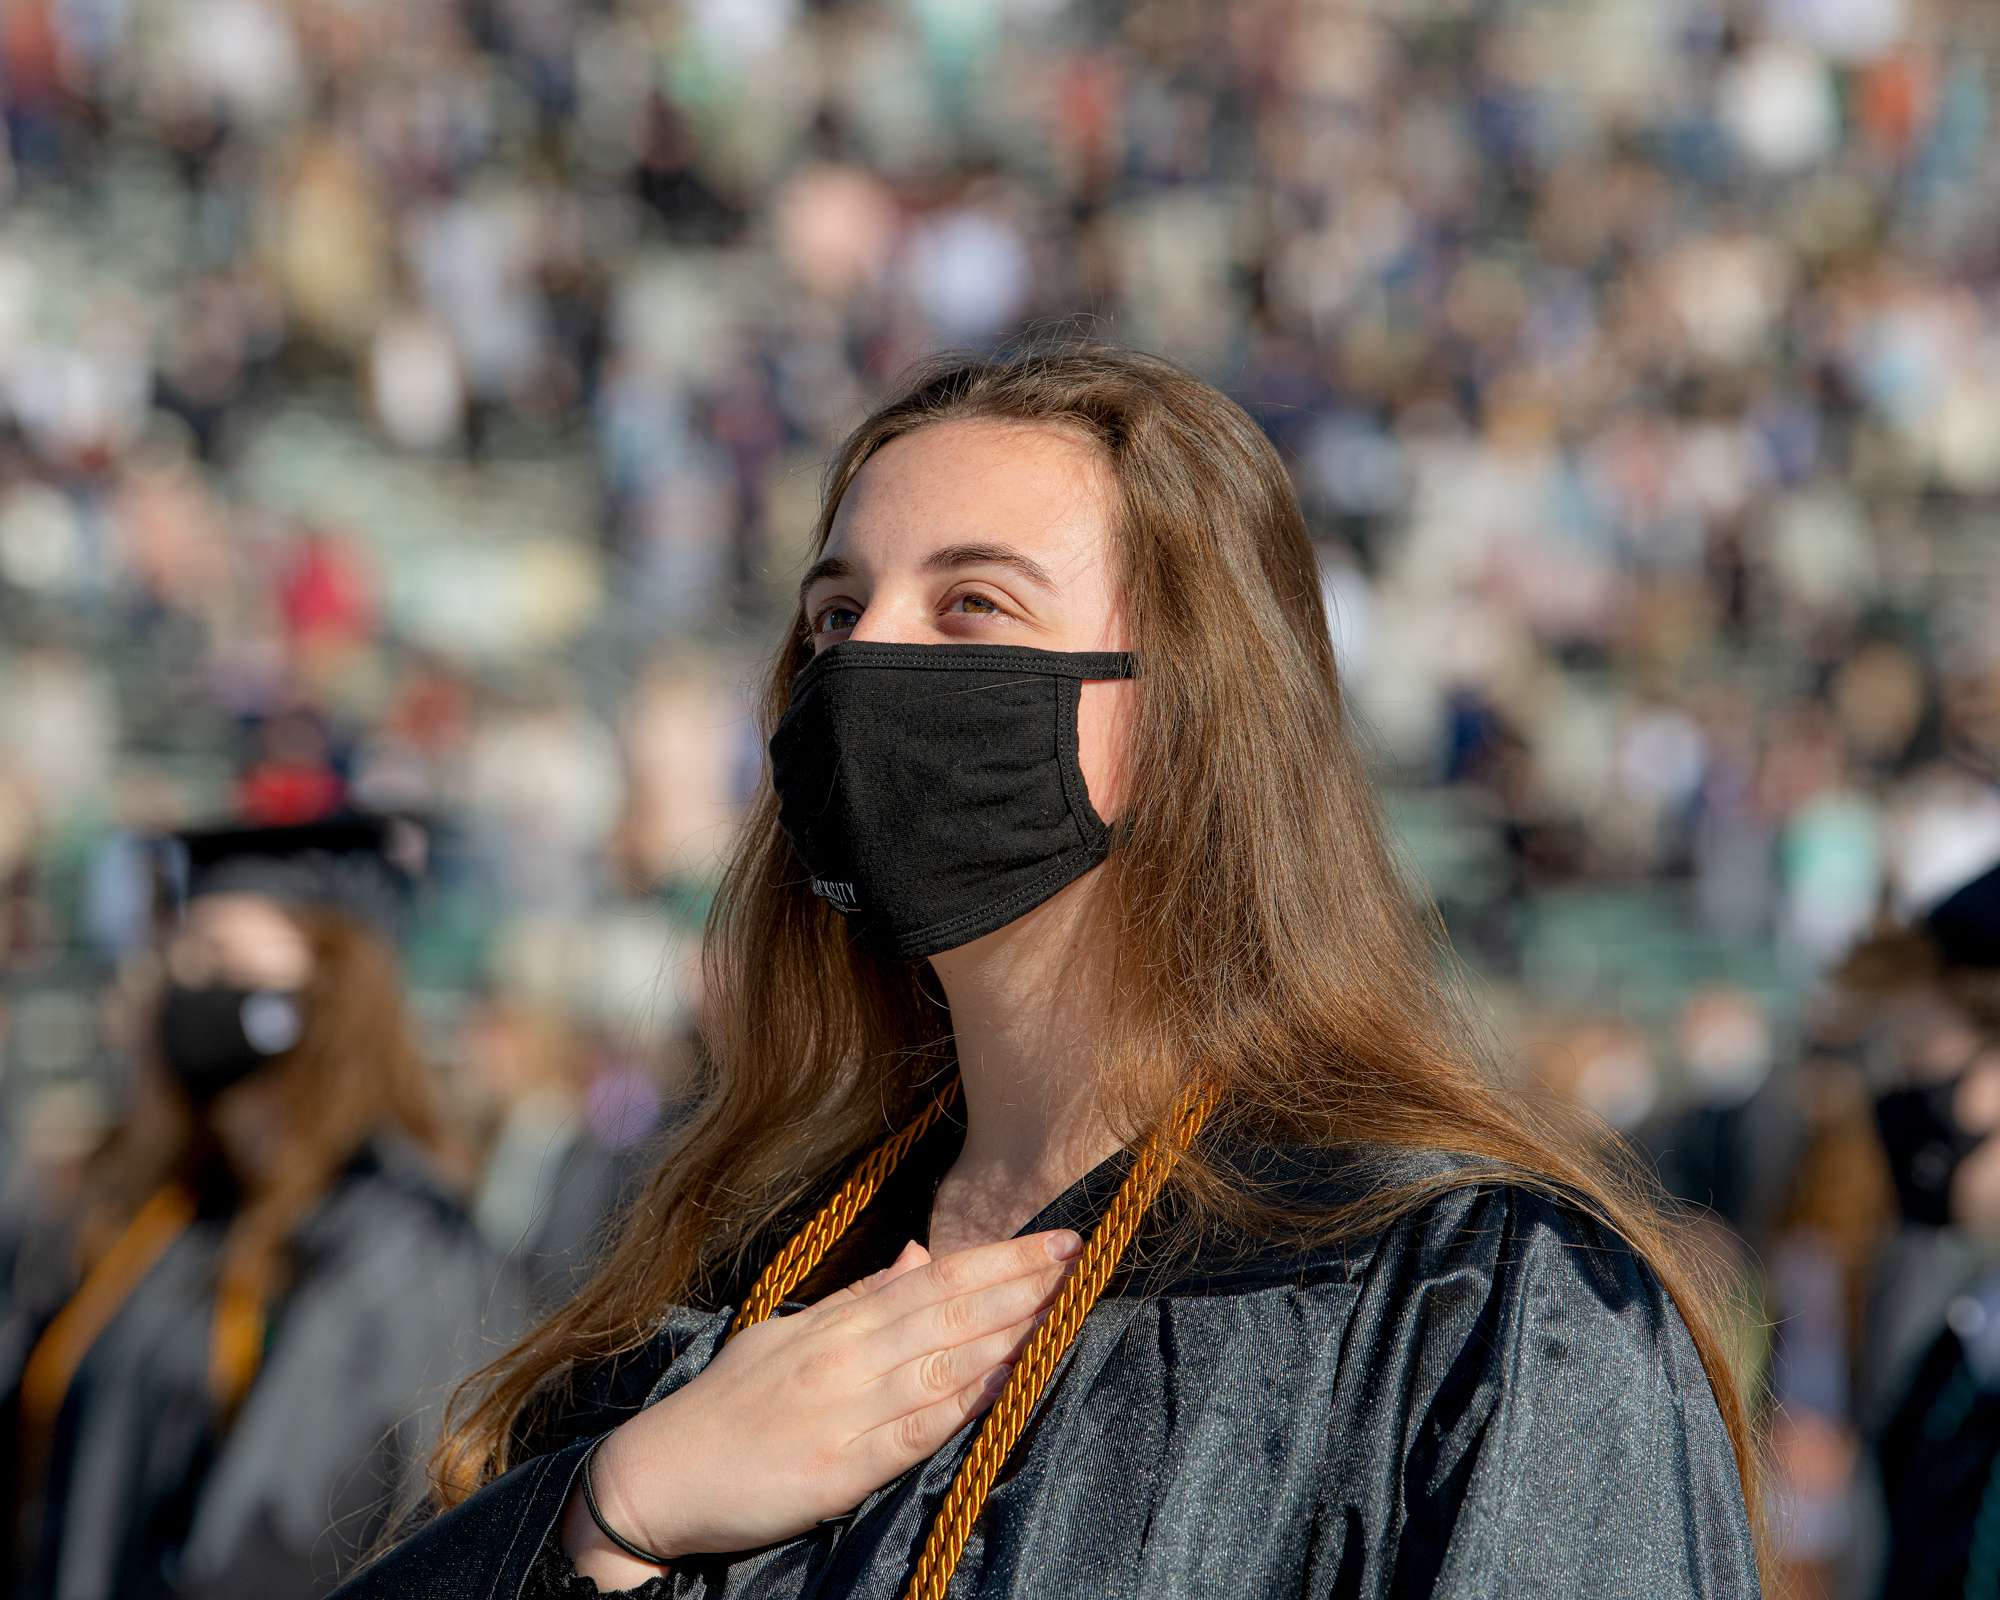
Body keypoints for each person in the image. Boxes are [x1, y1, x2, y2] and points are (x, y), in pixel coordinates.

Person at [335, 340, 1763, 1600]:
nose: (866, 660)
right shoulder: (746, 1278)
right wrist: (611, 1518)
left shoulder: (1469, 1306)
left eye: (972, 608)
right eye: (837, 614)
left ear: (1189, 714)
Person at [0, 812, 520, 1599]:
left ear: (329, 981)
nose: (183, 985)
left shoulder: (398, 1241)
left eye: (217, 957)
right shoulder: (170, 1216)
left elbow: (285, 1533)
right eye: (179, 957)